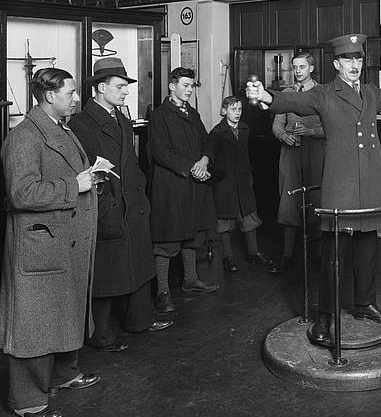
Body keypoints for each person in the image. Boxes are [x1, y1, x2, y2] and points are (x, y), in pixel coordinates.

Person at [246, 33, 381, 343]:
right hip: (341, 185)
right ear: (336, 63)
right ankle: (325, 317)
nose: (354, 65)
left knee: (367, 250)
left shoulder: (371, 93)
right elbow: (293, 100)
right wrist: (266, 96)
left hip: (370, 183)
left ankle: (365, 303)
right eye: (348, 59)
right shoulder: (324, 94)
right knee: (334, 255)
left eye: (358, 59)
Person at [0, 68, 101, 417]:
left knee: (62, 315)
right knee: (34, 326)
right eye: (70, 93)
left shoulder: (61, 129)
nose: (76, 98)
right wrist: (75, 186)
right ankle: (29, 402)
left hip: (62, 242)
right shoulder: (25, 137)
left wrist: (85, 181)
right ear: (49, 96)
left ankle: (64, 374)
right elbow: (20, 193)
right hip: (41, 247)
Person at [68, 58, 173, 353]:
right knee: (105, 273)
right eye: (120, 86)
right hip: (108, 208)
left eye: (126, 86)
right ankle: (98, 334)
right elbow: (84, 173)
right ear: (101, 88)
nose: (126, 91)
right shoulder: (82, 125)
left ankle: (140, 319)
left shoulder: (121, 118)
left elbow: (133, 164)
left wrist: (142, 197)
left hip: (133, 205)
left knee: (138, 263)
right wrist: (108, 207)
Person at [149, 67, 219, 314]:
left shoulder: (192, 113)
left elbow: (207, 141)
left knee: (193, 233)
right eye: (186, 85)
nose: (189, 90)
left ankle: (190, 280)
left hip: (193, 182)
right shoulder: (159, 116)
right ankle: (163, 292)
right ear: (172, 86)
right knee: (167, 239)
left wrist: (204, 161)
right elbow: (161, 152)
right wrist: (191, 167)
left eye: (192, 86)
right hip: (171, 185)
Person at [271, 53, 325, 274]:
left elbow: (334, 127)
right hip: (291, 154)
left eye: (302, 67)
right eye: (294, 67)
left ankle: (322, 257)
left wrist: (311, 131)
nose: (298, 71)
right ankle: (287, 256)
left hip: (316, 154)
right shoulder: (287, 94)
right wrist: (284, 136)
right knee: (289, 201)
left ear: (311, 68)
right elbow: (276, 124)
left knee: (318, 200)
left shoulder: (323, 93)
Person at [208, 96, 271, 272]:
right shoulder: (217, 132)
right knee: (225, 220)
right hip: (225, 182)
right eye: (232, 109)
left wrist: (248, 176)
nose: (237, 113)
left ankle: (254, 253)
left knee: (249, 215)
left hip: (243, 180)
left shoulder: (245, 128)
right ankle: (228, 257)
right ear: (223, 111)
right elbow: (211, 156)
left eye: (240, 110)